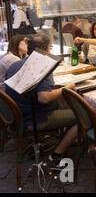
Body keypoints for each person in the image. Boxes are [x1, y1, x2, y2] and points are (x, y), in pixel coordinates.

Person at [5, 33, 77, 166]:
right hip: (35, 119)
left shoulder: (14, 65)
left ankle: (55, 138)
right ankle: (57, 154)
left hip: (17, 117)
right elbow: (43, 98)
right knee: (82, 116)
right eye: (50, 47)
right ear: (46, 49)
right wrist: (67, 87)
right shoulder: (42, 66)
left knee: (63, 104)